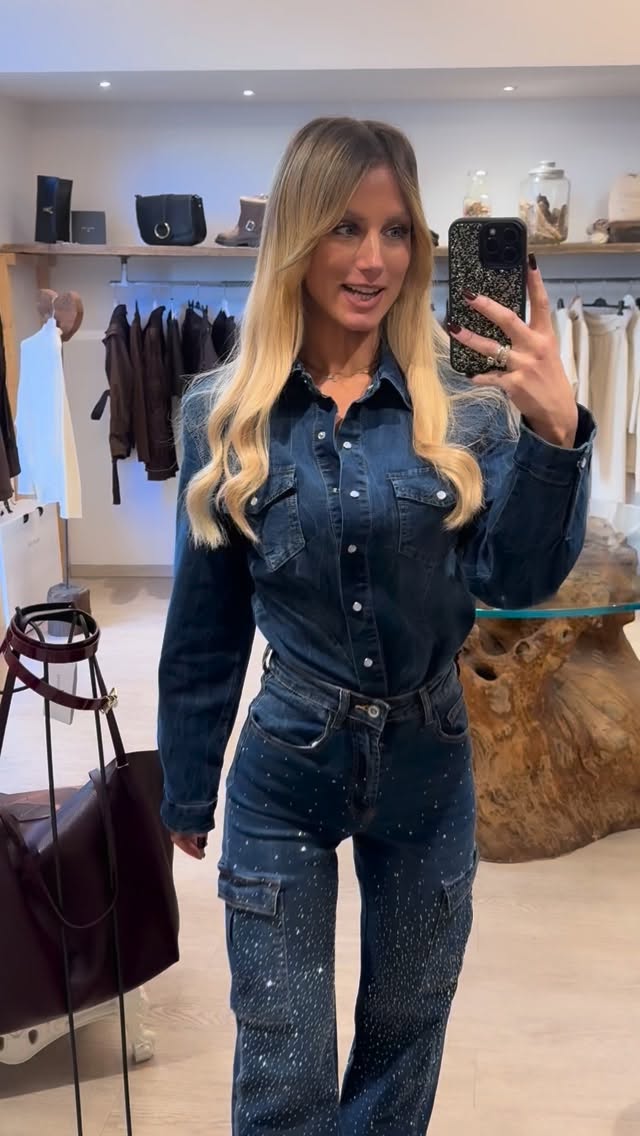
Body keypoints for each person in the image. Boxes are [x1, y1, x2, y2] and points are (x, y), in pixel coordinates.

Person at [157, 117, 594, 1135]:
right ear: (297, 237)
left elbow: (515, 579)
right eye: (345, 227)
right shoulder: (224, 410)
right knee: (284, 1064)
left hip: (428, 760)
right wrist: (186, 777)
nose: (373, 260)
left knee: (404, 1045)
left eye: (396, 231)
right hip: (287, 761)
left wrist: (555, 435)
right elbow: (206, 617)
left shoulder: (467, 404)